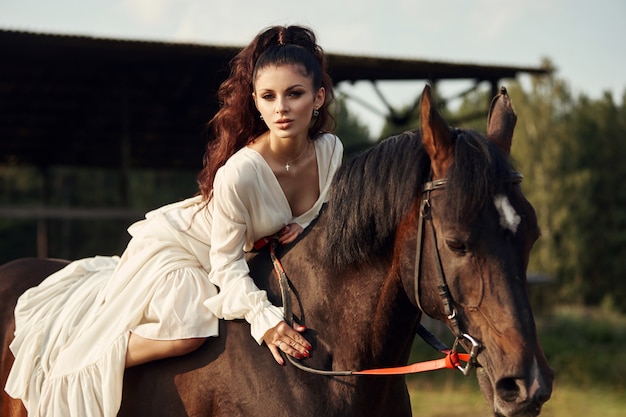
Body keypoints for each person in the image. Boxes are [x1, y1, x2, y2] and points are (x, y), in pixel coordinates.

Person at [4, 25, 343, 416]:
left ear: (318, 98)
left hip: (234, 252)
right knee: (190, 331)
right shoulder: (241, 172)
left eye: (294, 94)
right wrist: (265, 321)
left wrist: (306, 224)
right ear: (256, 102)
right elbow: (227, 266)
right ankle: (93, 362)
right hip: (187, 250)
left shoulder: (330, 150)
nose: (281, 108)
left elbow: (321, 209)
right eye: (269, 96)